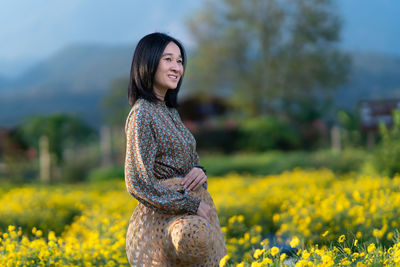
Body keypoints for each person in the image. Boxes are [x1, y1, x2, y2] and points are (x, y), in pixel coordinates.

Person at [124, 32, 226, 266]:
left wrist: (199, 170)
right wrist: (190, 204)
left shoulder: (169, 111)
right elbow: (137, 182)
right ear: (147, 63)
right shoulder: (142, 114)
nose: (176, 67)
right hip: (166, 224)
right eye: (168, 59)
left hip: (191, 219)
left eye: (179, 61)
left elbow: (188, 159)